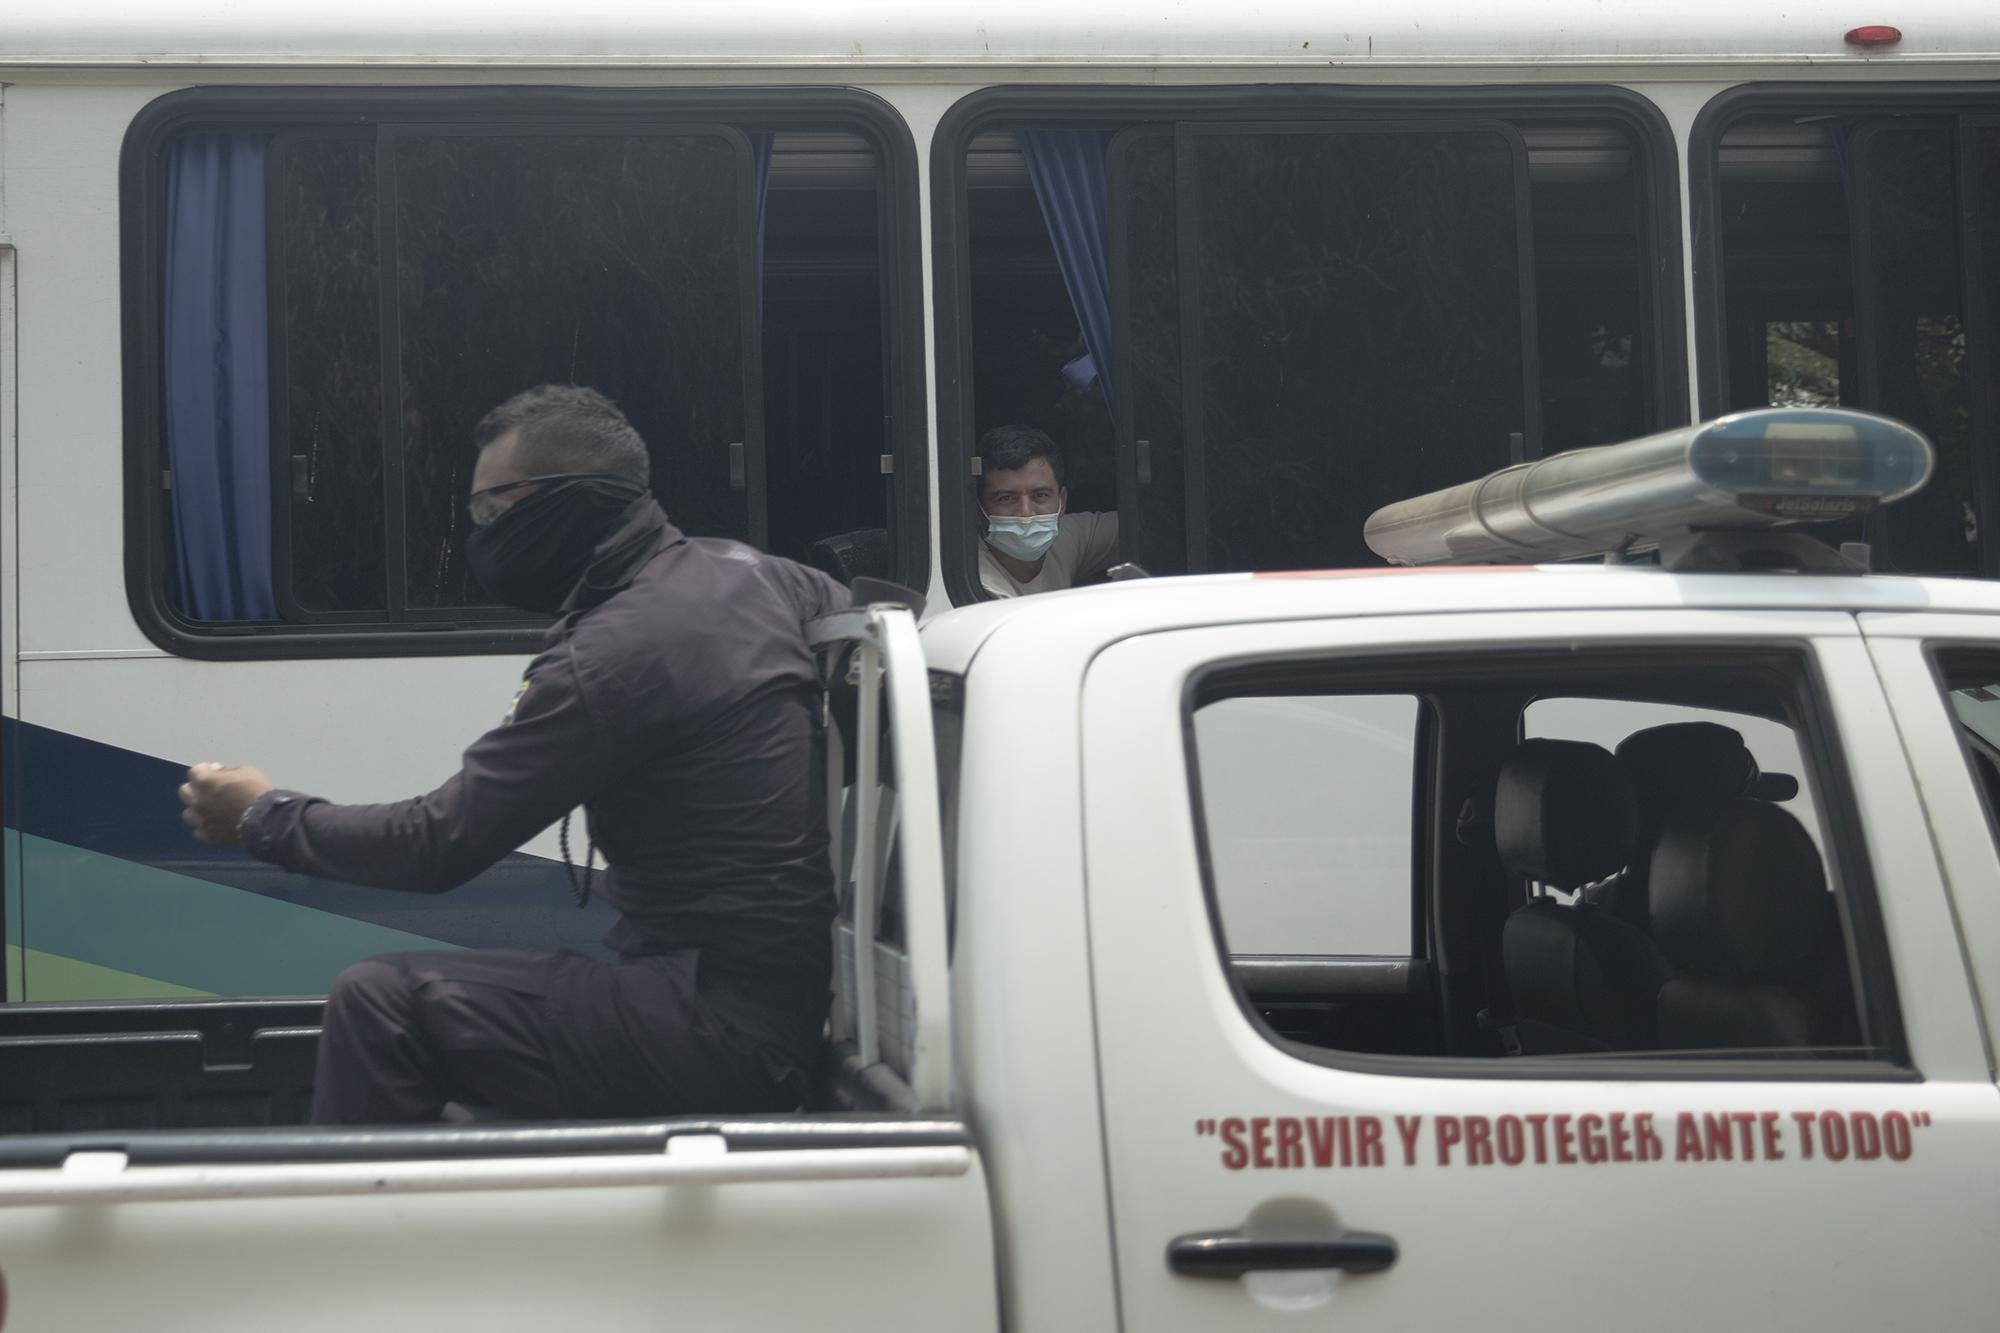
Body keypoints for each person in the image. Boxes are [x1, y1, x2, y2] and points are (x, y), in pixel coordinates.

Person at [178, 384, 850, 1125]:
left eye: (493, 511)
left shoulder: (618, 650)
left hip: (716, 1029)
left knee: (380, 1001)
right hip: (772, 1003)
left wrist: (263, 817)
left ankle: (362, 1234)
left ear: (570, 499)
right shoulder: (753, 574)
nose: (482, 535)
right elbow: (872, 625)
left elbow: (438, 843)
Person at [975, 424, 1119, 597]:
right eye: (1006, 498)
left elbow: (1145, 525)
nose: (1026, 512)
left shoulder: (1066, 538)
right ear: (979, 508)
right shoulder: (976, 586)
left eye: (1040, 495)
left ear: (1062, 501)